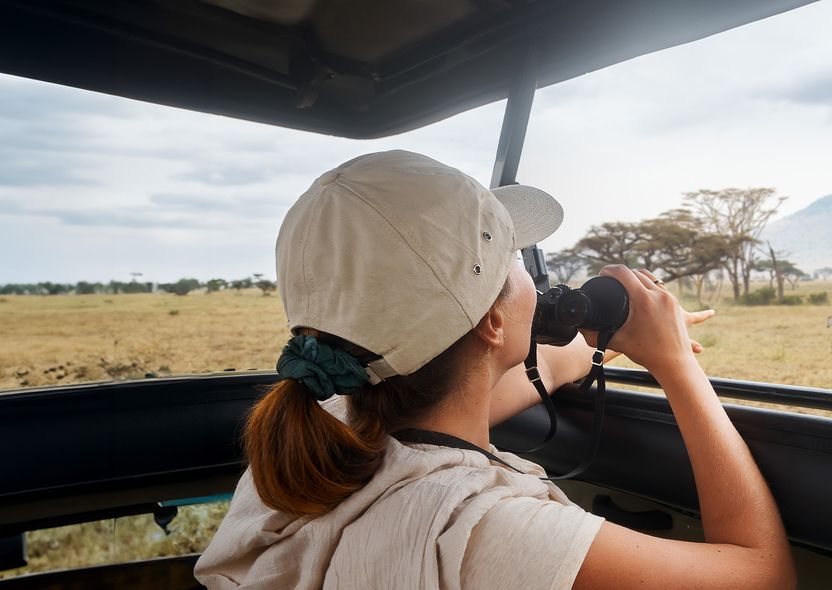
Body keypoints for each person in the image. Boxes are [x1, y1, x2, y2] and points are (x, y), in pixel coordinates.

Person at [194, 150, 795, 589]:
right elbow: (764, 576)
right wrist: (678, 371)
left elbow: (536, 370)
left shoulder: (313, 442)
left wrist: (619, 340)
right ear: (491, 324)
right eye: (513, 262)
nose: (534, 280)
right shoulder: (486, 530)